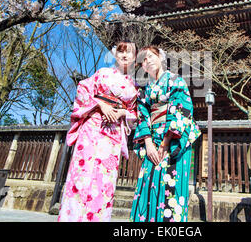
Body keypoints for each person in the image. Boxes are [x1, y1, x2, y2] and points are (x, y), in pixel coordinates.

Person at [58, 41, 138, 222]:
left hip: (113, 135)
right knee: (81, 173)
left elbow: (134, 112)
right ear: (115, 55)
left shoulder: (133, 86)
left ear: (135, 58)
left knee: (105, 178)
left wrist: (122, 112)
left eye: (129, 53)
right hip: (92, 128)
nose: (124, 56)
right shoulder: (102, 73)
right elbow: (83, 89)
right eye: (121, 52)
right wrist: (100, 104)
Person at [130, 46, 201, 222]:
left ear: (161, 58)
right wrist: (148, 143)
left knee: (172, 187)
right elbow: (142, 115)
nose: (148, 61)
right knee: (148, 185)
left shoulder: (176, 80)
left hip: (174, 140)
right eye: (144, 60)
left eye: (151, 56)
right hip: (151, 141)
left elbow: (181, 109)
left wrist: (166, 142)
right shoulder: (144, 89)